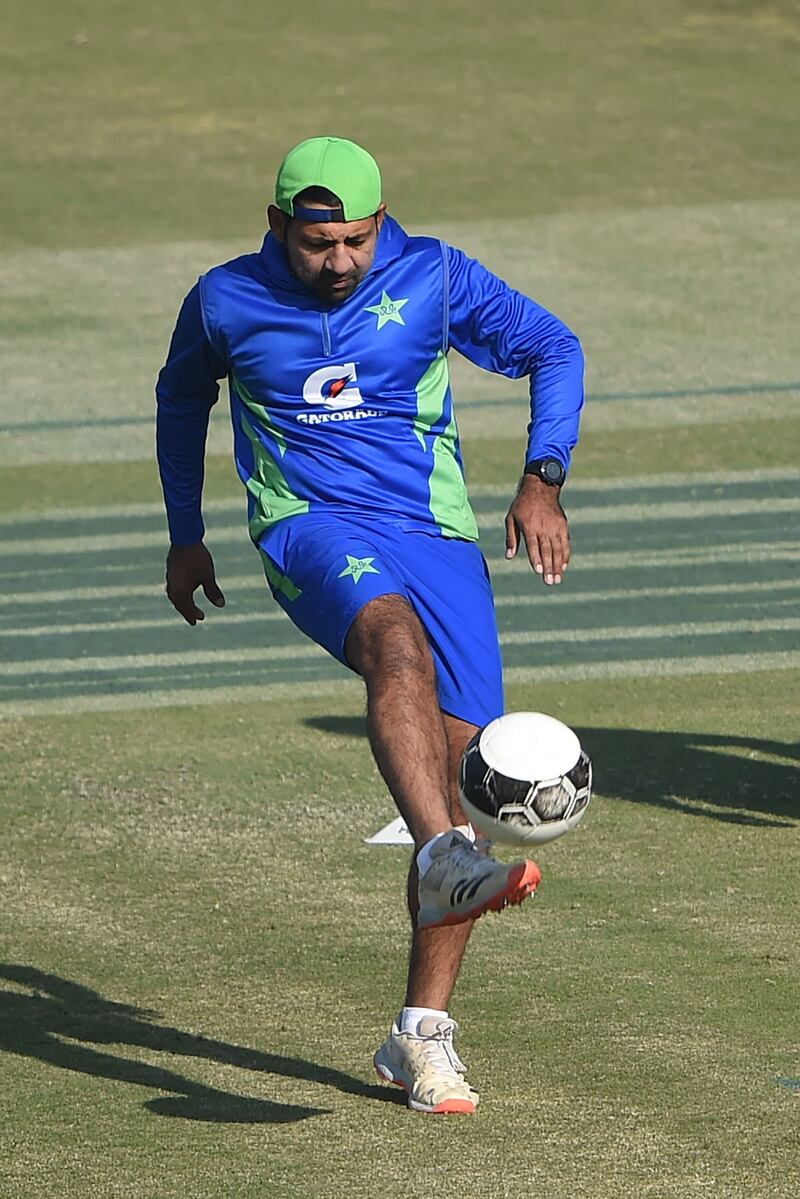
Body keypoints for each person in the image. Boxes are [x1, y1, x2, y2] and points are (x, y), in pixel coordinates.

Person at [156, 136, 584, 1115]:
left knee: (457, 772)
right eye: (315, 243)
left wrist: (541, 476)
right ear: (276, 228)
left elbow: (551, 346)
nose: (338, 261)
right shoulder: (225, 299)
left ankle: (418, 1037)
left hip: (433, 536)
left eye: (353, 239)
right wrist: (187, 534)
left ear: (380, 224)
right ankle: (442, 856)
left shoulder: (430, 276)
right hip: (307, 528)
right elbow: (180, 397)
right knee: (393, 644)